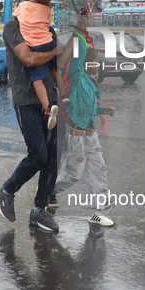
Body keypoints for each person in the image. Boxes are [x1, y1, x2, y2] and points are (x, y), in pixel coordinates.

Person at [0, 0, 74, 232]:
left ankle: (40, 210)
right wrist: (55, 49)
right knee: (38, 154)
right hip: (26, 100)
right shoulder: (12, 27)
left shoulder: (46, 28)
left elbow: (57, 59)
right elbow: (29, 58)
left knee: (54, 154)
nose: (50, 0)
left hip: (51, 99)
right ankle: (7, 191)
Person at [54, 33, 116, 227]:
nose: (98, 66)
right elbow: (78, 55)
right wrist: (81, 30)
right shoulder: (78, 77)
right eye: (95, 63)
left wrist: (102, 111)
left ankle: (96, 211)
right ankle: (48, 191)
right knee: (73, 175)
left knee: (99, 171)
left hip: (91, 137)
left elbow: (88, 107)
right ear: (86, 64)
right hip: (77, 137)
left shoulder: (90, 83)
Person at [12, 0, 70, 129]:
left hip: (35, 46)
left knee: (38, 80)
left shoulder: (21, 9)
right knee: (54, 70)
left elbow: (16, 16)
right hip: (49, 42)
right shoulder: (46, 10)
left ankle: (47, 107)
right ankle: (63, 95)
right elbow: (46, 24)